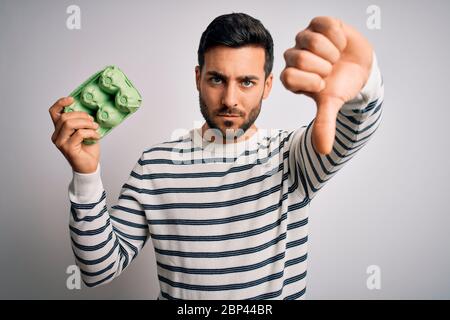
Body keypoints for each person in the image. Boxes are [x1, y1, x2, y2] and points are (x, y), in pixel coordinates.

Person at [49, 13, 384, 300]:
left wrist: (364, 82)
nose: (229, 99)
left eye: (247, 82)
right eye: (217, 79)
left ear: (267, 86)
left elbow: (356, 126)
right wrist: (86, 175)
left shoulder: (292, 157)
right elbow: (98, 269)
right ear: (198, 78)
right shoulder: (155, 165)